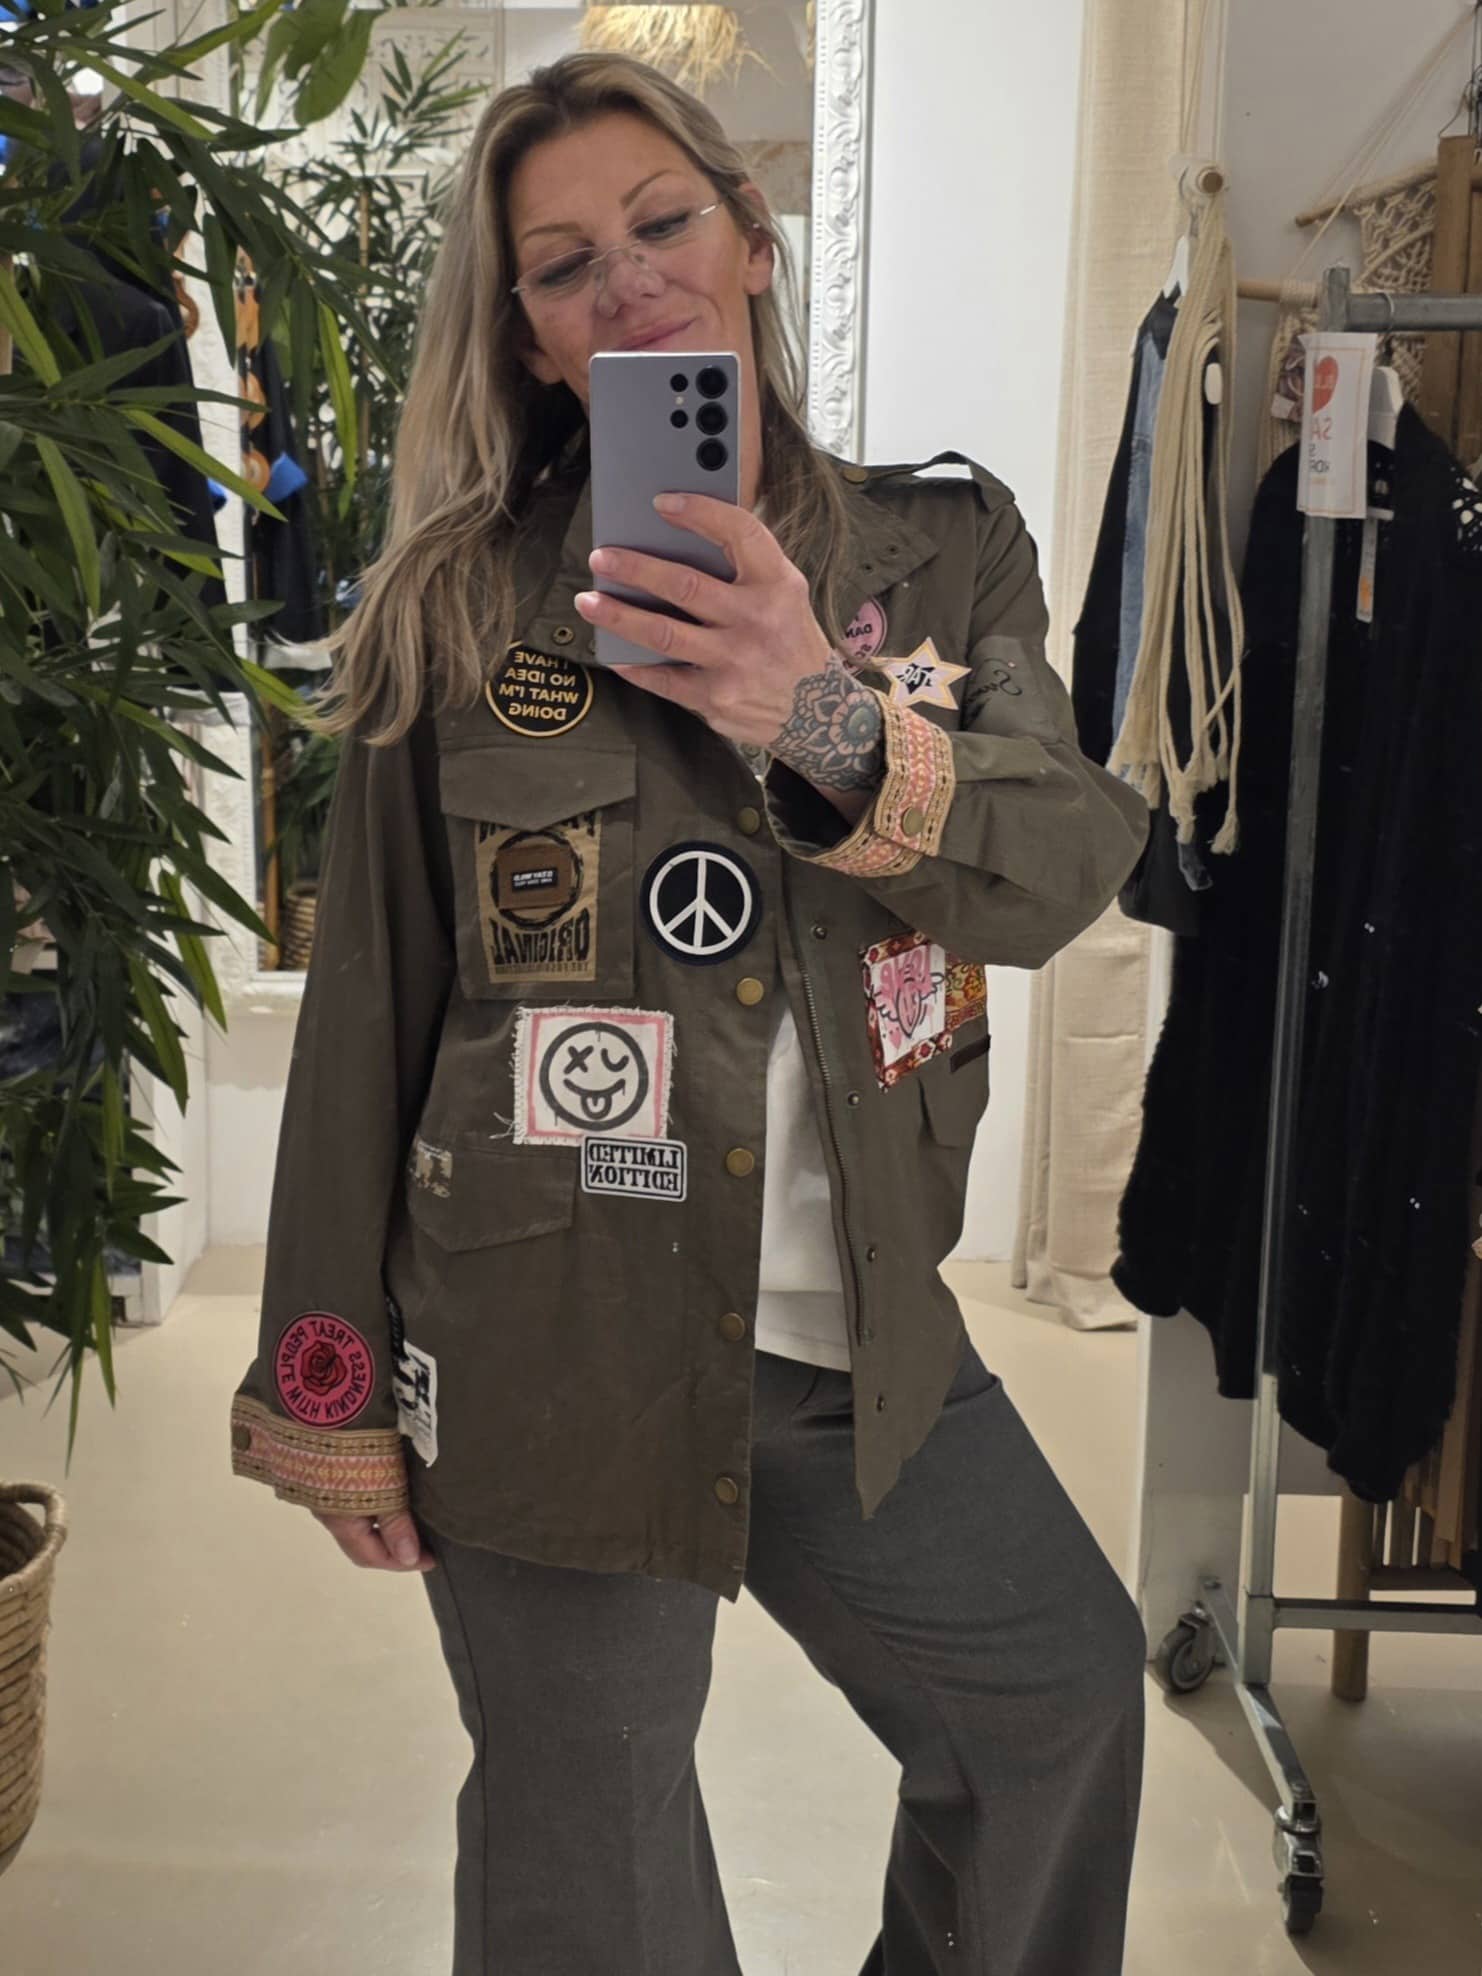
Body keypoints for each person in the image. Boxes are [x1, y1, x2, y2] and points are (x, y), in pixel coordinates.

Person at [229, 50, 1152, 1976]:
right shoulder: (453, 600)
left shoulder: (937, 553)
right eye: (563, 266)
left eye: (661, 224)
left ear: (750, 243)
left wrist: (812, 710)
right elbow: (372, 1005)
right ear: (533, 341)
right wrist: (327, 1380)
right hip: (547, 1335)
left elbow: (1061, 871)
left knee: (1055, 1705)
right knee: (597, 1863)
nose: (627, 280)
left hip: (859, 1337)